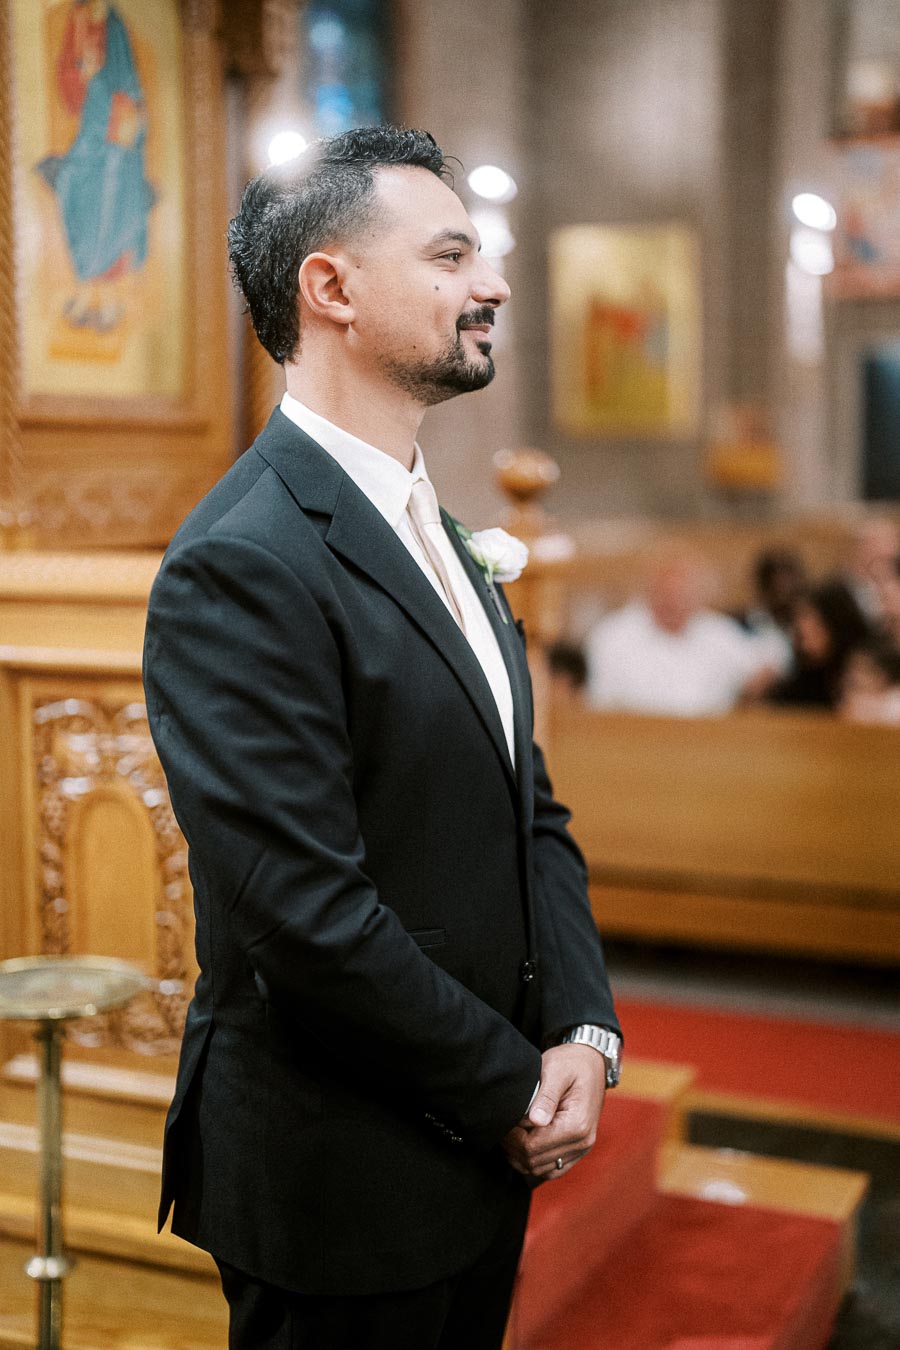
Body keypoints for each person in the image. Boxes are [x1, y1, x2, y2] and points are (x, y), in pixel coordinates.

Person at [142, 126, 621, 1350]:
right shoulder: (242, 561)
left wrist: (579, 1027)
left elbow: (533, 811)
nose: (494, 284)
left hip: (473, 1158)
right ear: (333, 288)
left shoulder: (439, 531)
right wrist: (509, 1082)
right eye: (453, 253)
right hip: (341, 1177)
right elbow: (303, 914)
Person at [36, 0, 155, 333]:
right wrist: (85, 78)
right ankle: (89, 293)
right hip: (94, 131)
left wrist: (126, 115)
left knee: (117, 192)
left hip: (121, 135)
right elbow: (69, 80)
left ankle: (108, 298)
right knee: (74, 184)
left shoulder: (116, 27)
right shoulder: (77, 20)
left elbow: (130, 86)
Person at [585, 545, 775, 716]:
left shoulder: (718, 632)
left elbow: (764, 664)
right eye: (667, 593)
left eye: (683, 594)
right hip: (632, 742)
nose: (674, 602)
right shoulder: (613, 635)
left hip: (708, 743)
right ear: (651, 590)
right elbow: (598, 704)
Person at [767, 579, 871, 710]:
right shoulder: (800, 685)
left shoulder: (866, 667)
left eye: (810, 617)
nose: (801, 626)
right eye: (798, 618)